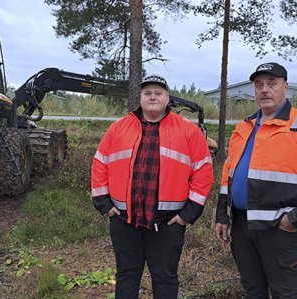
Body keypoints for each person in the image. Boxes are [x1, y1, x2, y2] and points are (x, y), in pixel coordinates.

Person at [214, 62, 297, 298]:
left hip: (281, 229)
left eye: (271, 84)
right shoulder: (244, 127)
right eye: (259, 85)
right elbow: (228, 173)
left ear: (285, 87)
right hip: (243, 226)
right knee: (252, 290)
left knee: (284, 292)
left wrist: (295, 219)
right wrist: (222, 214)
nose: (265, 90)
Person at [91, 74, 213, 299]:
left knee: (165, 278)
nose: (152, 97)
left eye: (158, 93)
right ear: (141, 97)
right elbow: (100, 162)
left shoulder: (189, 131)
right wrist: (103, 203)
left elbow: (203, 171)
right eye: (148, 93)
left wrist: (188, 214)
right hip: (124, 221)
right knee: (127, 275)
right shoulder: (118, 127)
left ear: (168, 98)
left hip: (168, 223)